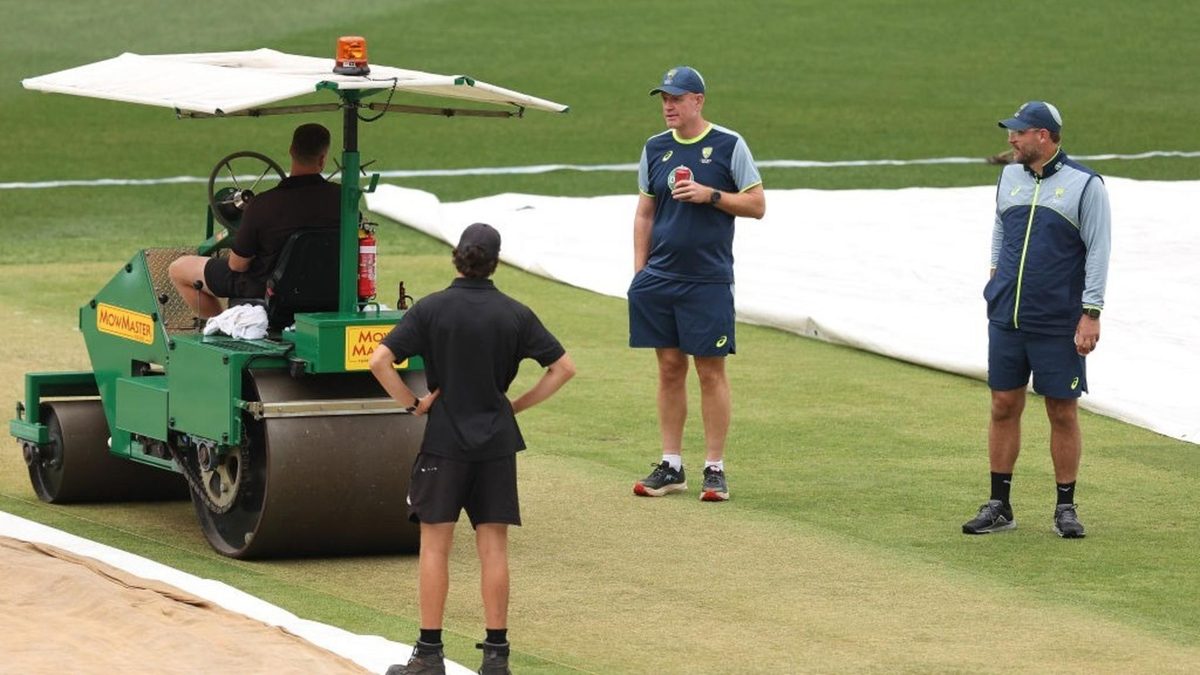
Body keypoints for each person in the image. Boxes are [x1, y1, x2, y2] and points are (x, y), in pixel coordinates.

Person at [369, 222, 576, 675]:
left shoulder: (431, 310)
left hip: (444, 441)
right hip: (496, 443)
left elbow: (379, 361)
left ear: (456, 258)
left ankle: (428, 656)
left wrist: (414, 405)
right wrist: (514, 406)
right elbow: (563, 368)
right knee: (493, 550)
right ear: (495, 262)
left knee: (435, 548)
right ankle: (496, 659)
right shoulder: (515, 313)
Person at [963, 101, 1112, 539]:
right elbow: (1000, 228)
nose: (1011, 139)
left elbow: (1100, 250)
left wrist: (1091, 313)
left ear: (1043, 136)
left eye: (1019, 132)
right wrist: (994, 276)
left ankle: (1065, 506)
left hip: (1057, 320)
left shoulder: (1086, 186)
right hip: (1006, 314)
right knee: (1003, 405)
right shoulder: (1009, 175)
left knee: (1061, 411)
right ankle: (999, 504)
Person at [627, 66, 765, 502]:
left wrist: (713, 196)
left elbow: (758, 205)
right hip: (659, 281)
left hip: (707, 280)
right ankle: (671, 465)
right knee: (669, 368)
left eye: (676, 98)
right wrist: (639, 275)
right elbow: (645, 213)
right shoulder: (655, 148)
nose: (668, 105)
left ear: (698, 101)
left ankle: (715, 468)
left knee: (710, 371)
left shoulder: (729, 144)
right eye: (663, 98)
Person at [168, 123, 341, 317]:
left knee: (179, 268)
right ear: (323, 158)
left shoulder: (262, 205)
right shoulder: (343, 200)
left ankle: (219, 324)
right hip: (326, 288)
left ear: (291, 151)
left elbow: (237, 265)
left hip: (266, 289)